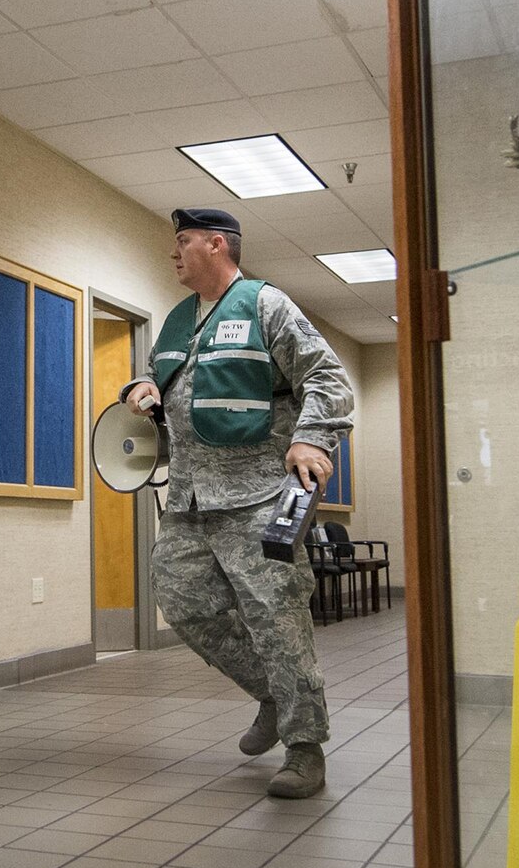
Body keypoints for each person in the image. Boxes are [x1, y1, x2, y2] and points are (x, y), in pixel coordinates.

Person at [123, 207, 353, 799]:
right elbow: (158, 377)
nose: (174, 253)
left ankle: (305, 748)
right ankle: (274, 697)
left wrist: (309, 438)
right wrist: (140, 387)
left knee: (276, 619)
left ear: (217, 245)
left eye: (184, 241)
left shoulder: (264, 305)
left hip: (258, 496)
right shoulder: (177, 320)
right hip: (190, 498)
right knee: (181, 601)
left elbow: (328, 378)